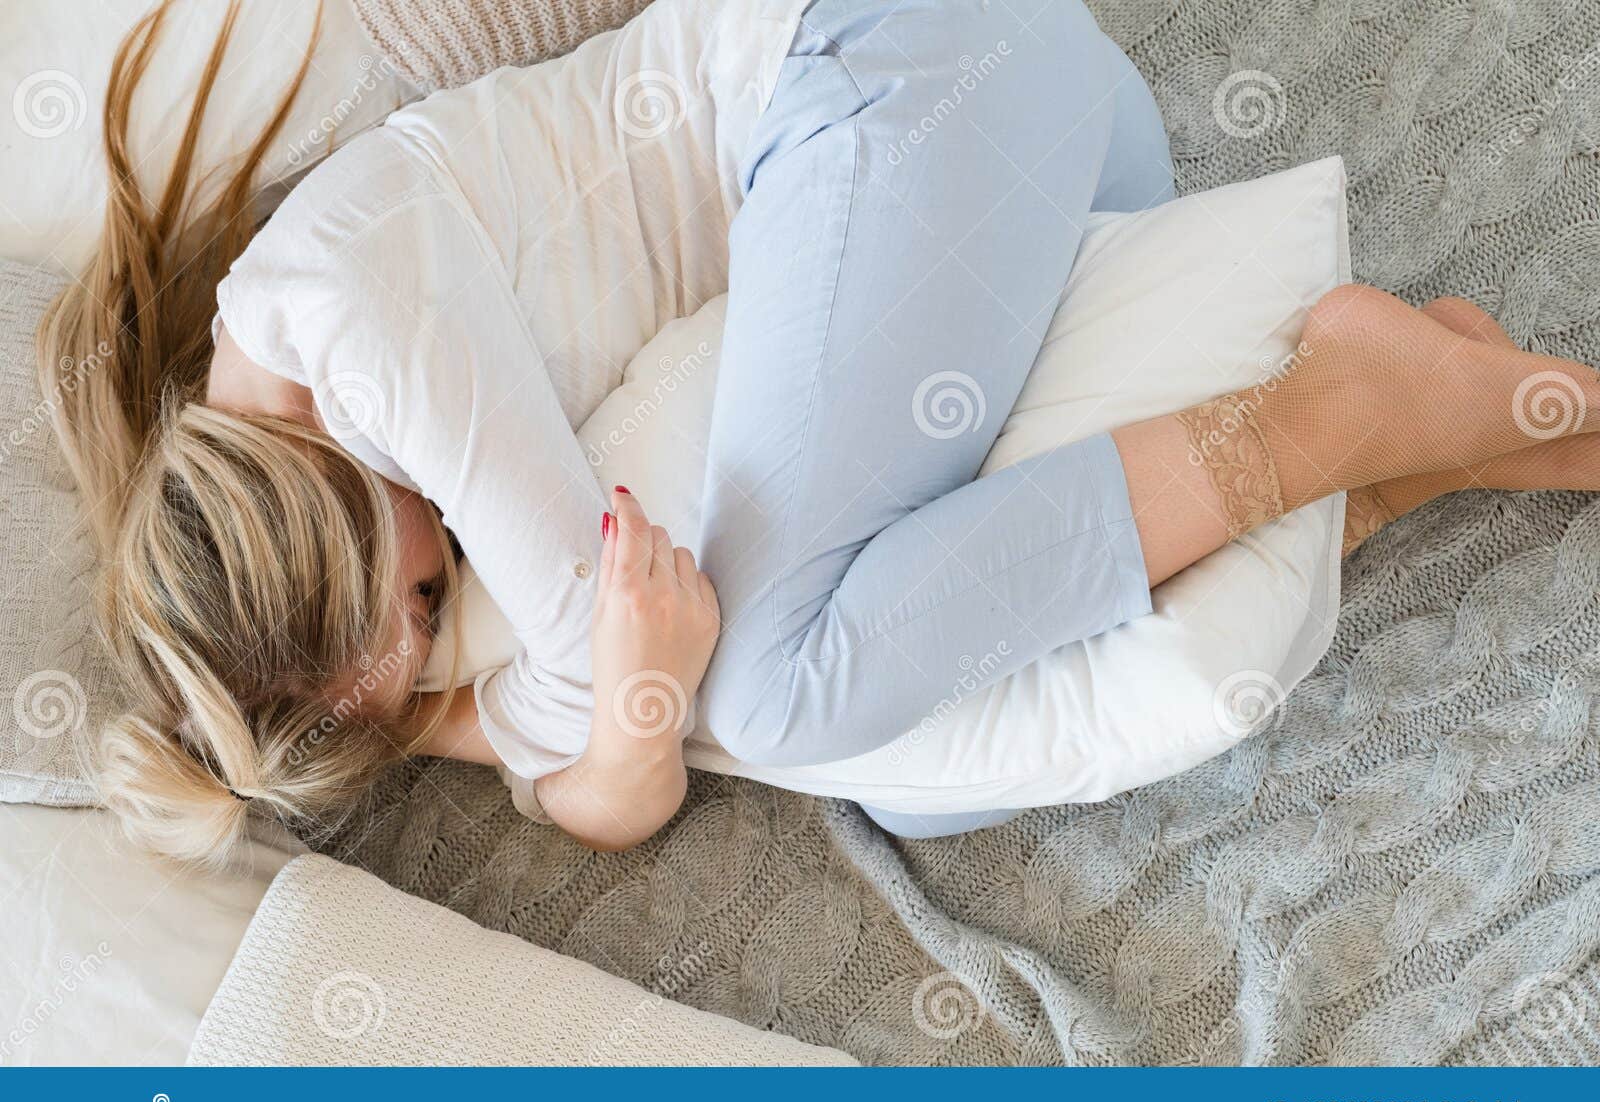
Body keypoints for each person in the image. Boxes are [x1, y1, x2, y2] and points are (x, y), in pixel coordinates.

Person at [44, 0, 1600, 861]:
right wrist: (519, 723)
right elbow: (609, 801)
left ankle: (1332, 416)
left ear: (306, 477)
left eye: (431, 597)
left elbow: (603, 648)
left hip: (891, 75)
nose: (460, 587)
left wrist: (560, 710)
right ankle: (1387, 468)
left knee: (780, 692)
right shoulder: (325, 486)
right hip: (1035, 200)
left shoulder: (350, 311)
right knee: (901, 763)